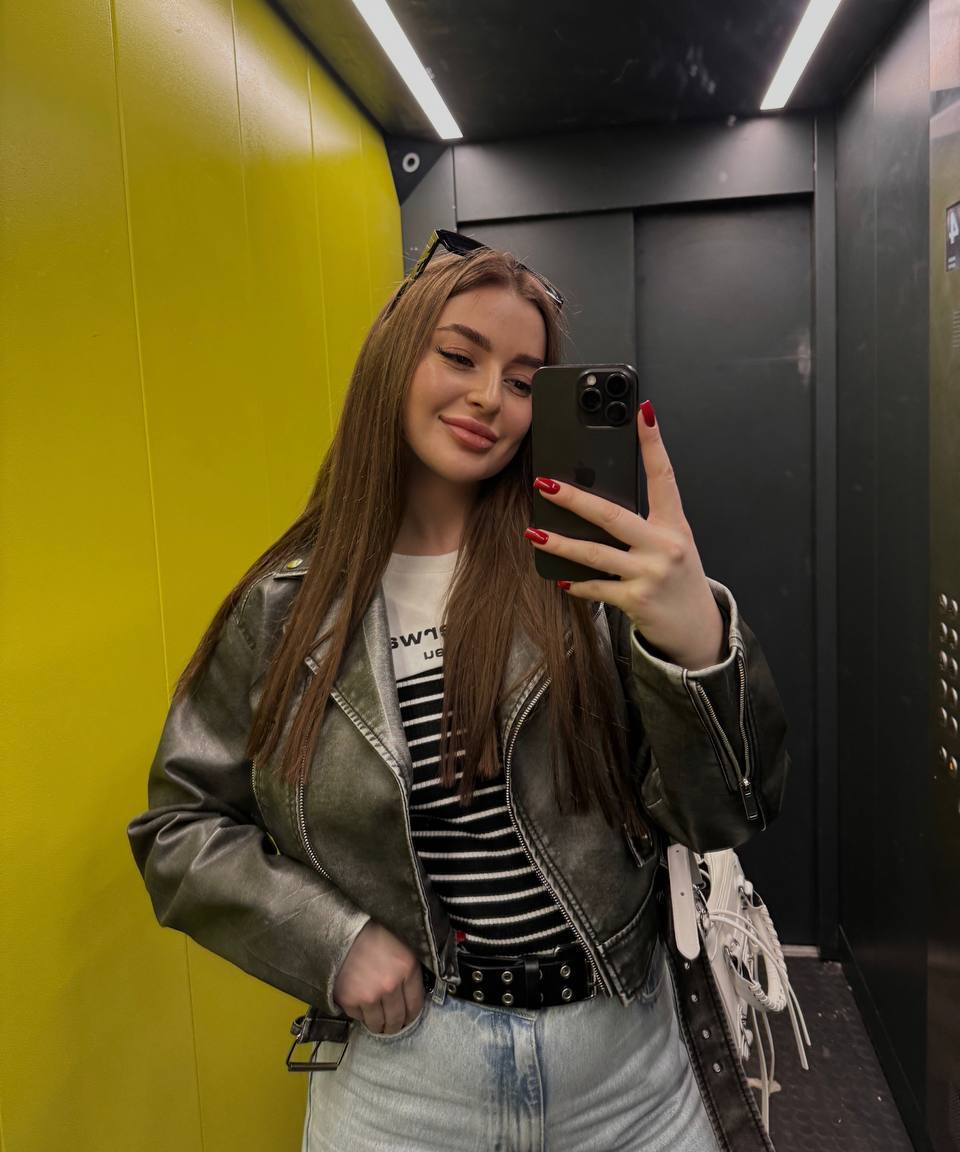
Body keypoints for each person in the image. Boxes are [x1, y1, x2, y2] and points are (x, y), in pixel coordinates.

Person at [127, 233, 790, 1152]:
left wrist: (697, 646)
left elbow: (725, 813)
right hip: (405, 1084)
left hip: (625, 1073)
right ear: (394, 360)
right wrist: (331, 941)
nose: (489, 398)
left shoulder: (586, 578)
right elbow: (179, 827)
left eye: (522, 381)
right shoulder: (285, 610)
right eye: (459, 356)